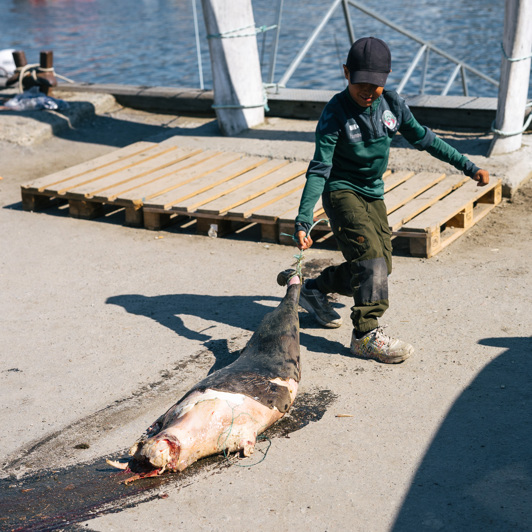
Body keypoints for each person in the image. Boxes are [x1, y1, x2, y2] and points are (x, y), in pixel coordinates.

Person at [295, 36, 489, 364]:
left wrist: (468, 166)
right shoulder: (335, 112)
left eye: (376, 85)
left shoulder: (392, 105)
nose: (368, 92)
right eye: (361, 84)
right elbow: (319, 168)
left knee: (382, 266)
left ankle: (314, 289)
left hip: (373, 193)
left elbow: (427, 140)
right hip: (340, 190)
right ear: (346, 73)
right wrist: (303, 218)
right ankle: (365, 334)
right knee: (370, 258)